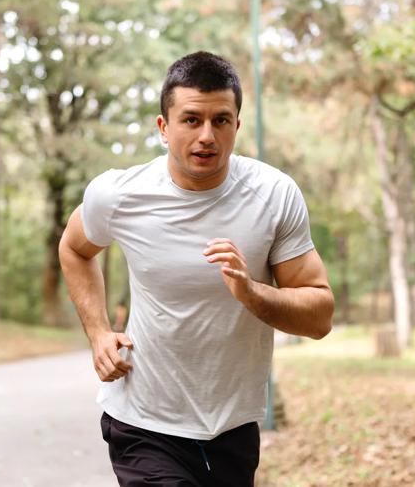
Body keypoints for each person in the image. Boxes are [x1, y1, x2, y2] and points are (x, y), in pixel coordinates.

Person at [59, 51, 334, 486]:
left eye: (221, 120)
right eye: (191, 120)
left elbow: (319, 316)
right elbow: (74, 249)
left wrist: (252, 292)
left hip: (232, 427)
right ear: (163, 128)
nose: (206, 135)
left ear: (237, 126)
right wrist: (97, 332)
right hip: (143, 420)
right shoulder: (119, 195)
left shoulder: (274, 195)